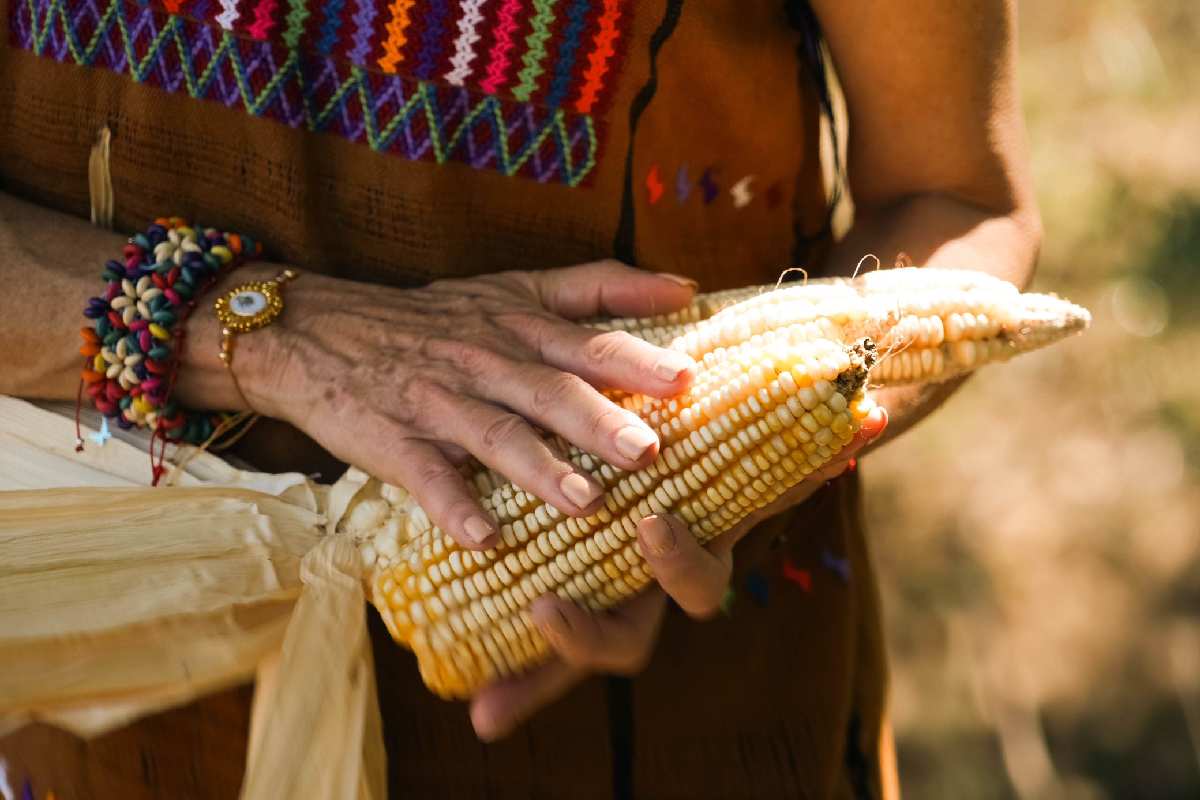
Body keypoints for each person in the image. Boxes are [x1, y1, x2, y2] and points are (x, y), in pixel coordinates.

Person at [0, 0, 1040, 796]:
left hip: (661, 696)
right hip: (101, 678)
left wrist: (703, 472)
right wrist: (257, 334)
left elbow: (952, 191)